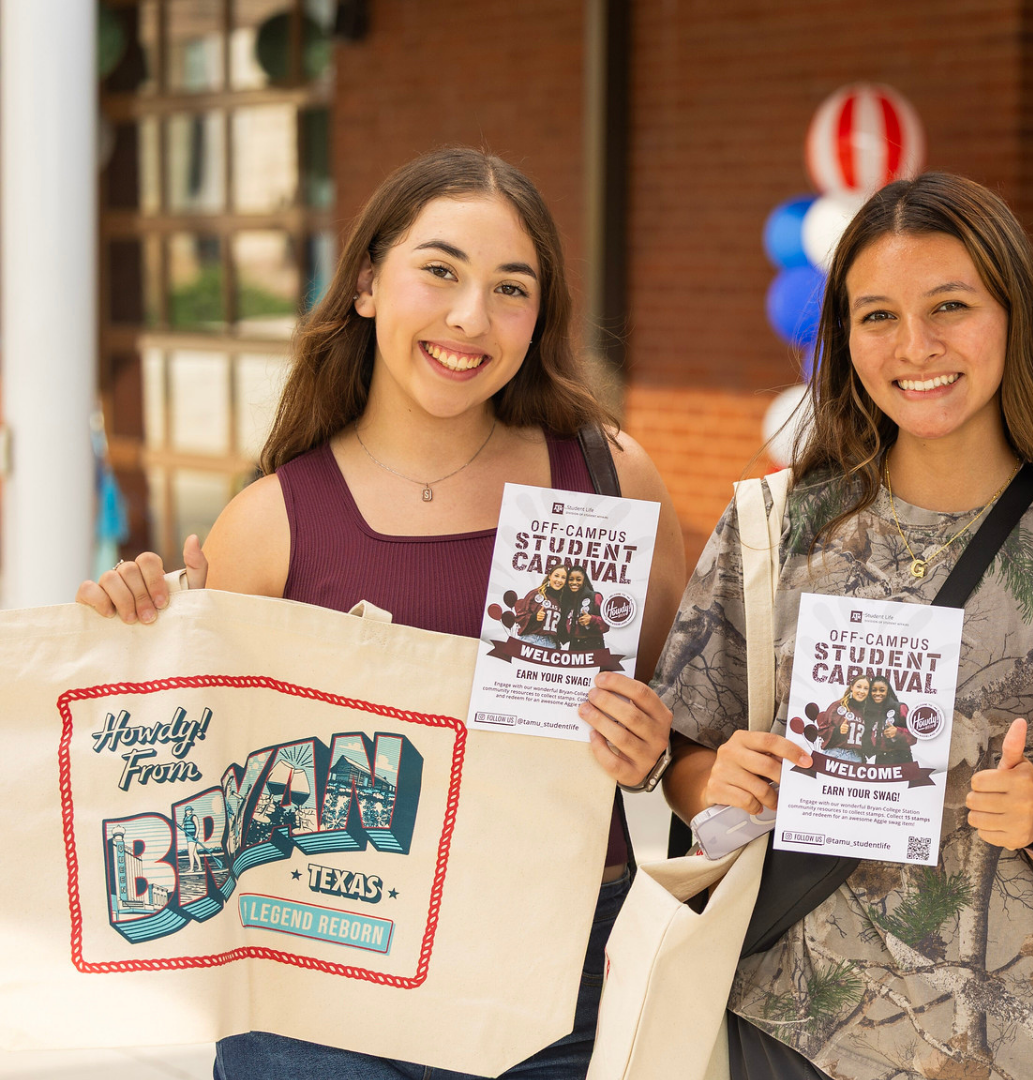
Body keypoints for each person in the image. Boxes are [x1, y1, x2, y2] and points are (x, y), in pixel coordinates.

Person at [76, 147, 688, 1080]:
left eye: (510, 288)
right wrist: (134, 640)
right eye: (438, 271)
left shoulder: (607, 479)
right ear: (366, 283)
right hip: (325, 995)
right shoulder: (272, 521)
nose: (470, 317)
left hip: (557, 987)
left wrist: (651, 752)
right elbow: (182, 789)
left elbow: (687, 727)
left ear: (539, 318)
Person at [654, 173, 1033, 1080]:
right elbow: (686, 762)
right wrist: (717, 782)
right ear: (844, 338)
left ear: (1013, 316)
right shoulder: (774, 529)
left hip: (1011, 1042)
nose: (915, 346)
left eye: (951, 305)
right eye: (877, 315)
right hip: (789, 1024)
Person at [818, 677, 874, 763]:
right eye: (858, 687)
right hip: (834, 754)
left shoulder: (867, 713)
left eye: (866, 688)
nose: (861, 691)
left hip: (855, 758)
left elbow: (868, 743)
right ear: (852, 687)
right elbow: (822, 730)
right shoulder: (838, 706)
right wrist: (837, 730)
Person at [515, 564, 572, 647]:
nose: (559, 580)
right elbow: (519, 617)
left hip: (551, 644)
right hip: (531, 640)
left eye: (563, 578)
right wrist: (534, 617)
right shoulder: (535, 594)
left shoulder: (563, 601)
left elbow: (562, 629)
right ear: (550, 576)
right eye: (556, 576)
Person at [563, 565, 608, 652]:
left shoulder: (595, 597)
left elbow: (607, 623)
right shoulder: (568, 600)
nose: (574, 582)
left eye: (578, 579)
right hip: (574, 644)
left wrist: (592, 619)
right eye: (571, 579)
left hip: (592, 644)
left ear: (584, 581)